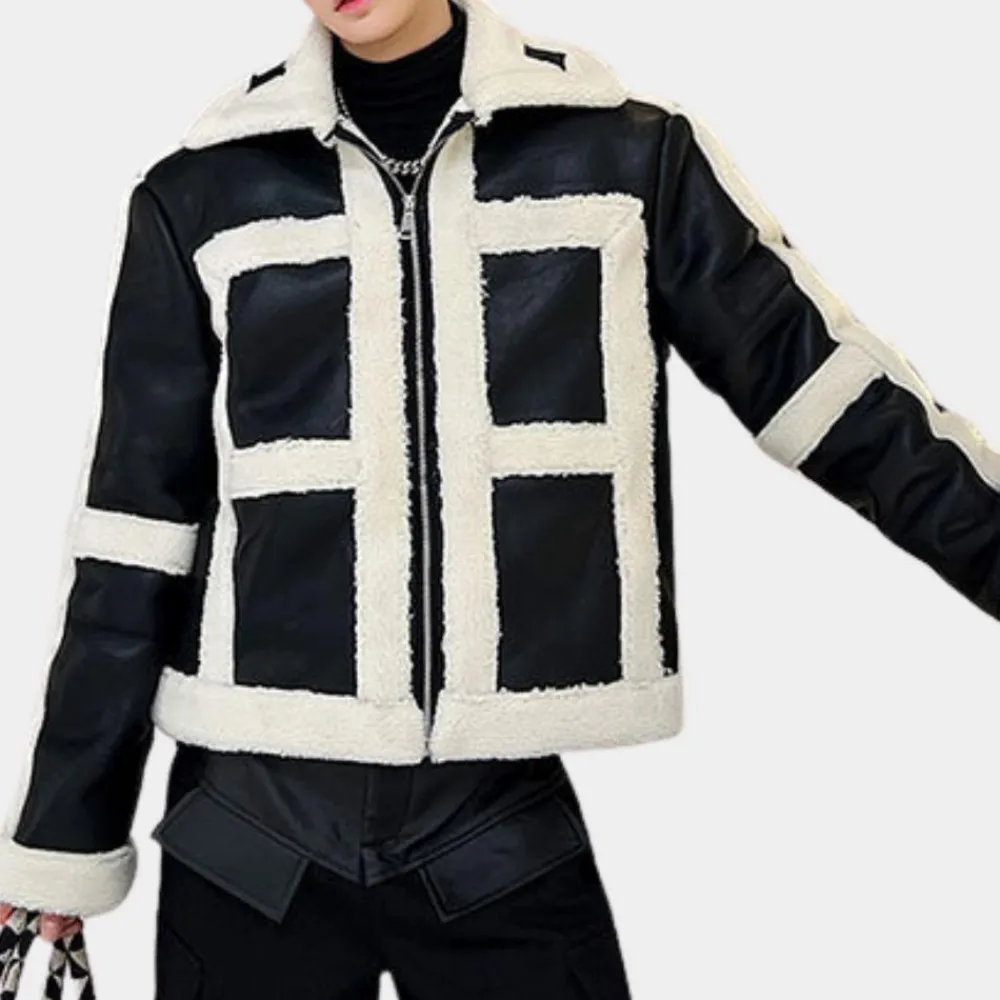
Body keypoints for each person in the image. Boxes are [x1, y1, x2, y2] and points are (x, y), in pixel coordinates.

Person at [0, 0, 997, 996]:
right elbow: (136, 530)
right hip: (247, 837)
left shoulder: (625, 157)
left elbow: (830, 400)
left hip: (490, 833)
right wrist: (60, 839)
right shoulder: (202, 192)